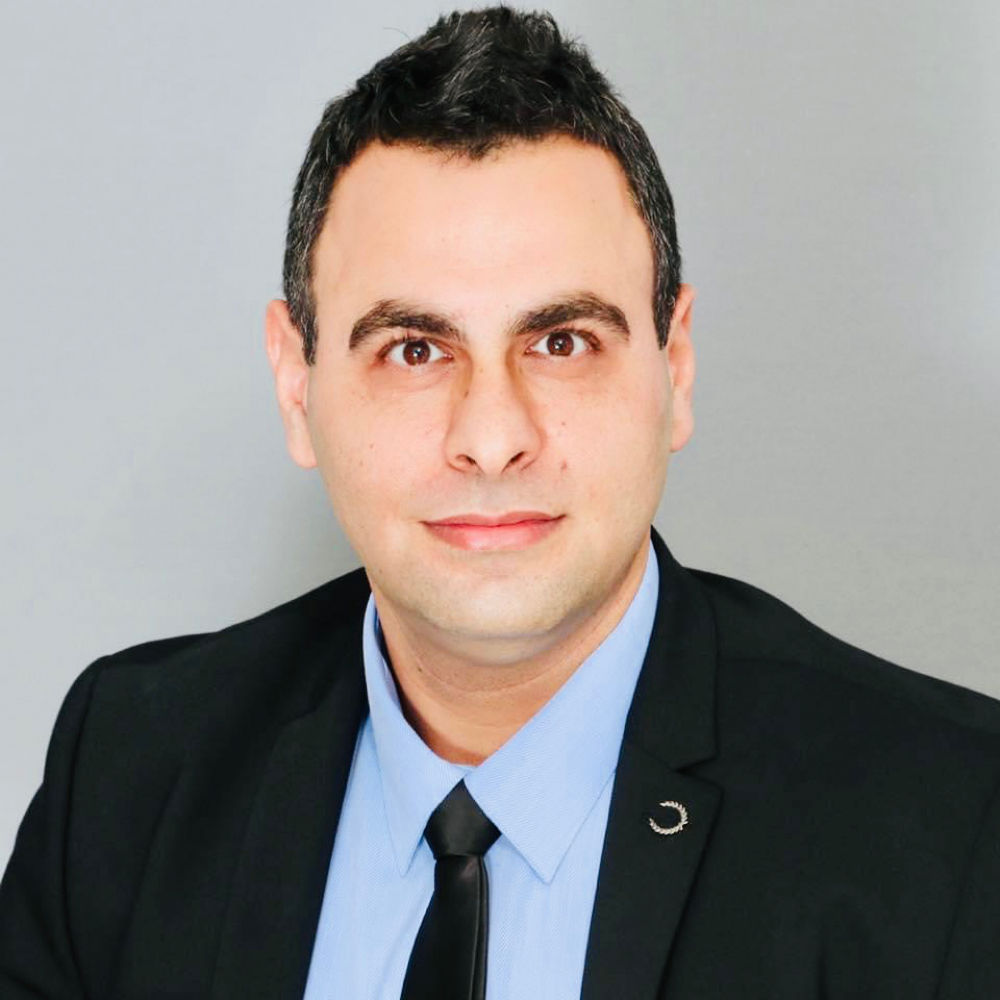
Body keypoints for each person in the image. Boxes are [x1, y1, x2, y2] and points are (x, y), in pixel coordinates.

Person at [2, 5, 998, 998]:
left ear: (676, 366)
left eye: (561, 342)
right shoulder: (129, 771)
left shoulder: (958, 827)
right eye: (414, 349)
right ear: (297, 386)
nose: (490, 436)